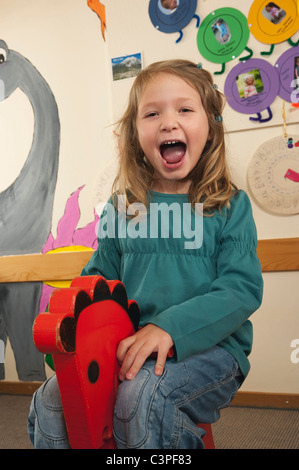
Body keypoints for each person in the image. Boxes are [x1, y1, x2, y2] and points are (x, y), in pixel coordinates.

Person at [28, 59, 263, 449]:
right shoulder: (121, 210)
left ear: (211, 125)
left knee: (141, 396)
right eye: (152, 113)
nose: (168, 122)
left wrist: (169, 328)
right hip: (128, 349)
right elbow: (97, 282)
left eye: (185, 110)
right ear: (136, 134)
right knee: (52, 400)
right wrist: (73, 339)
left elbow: (240, 291)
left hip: (214, 351)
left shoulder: (229, 205)